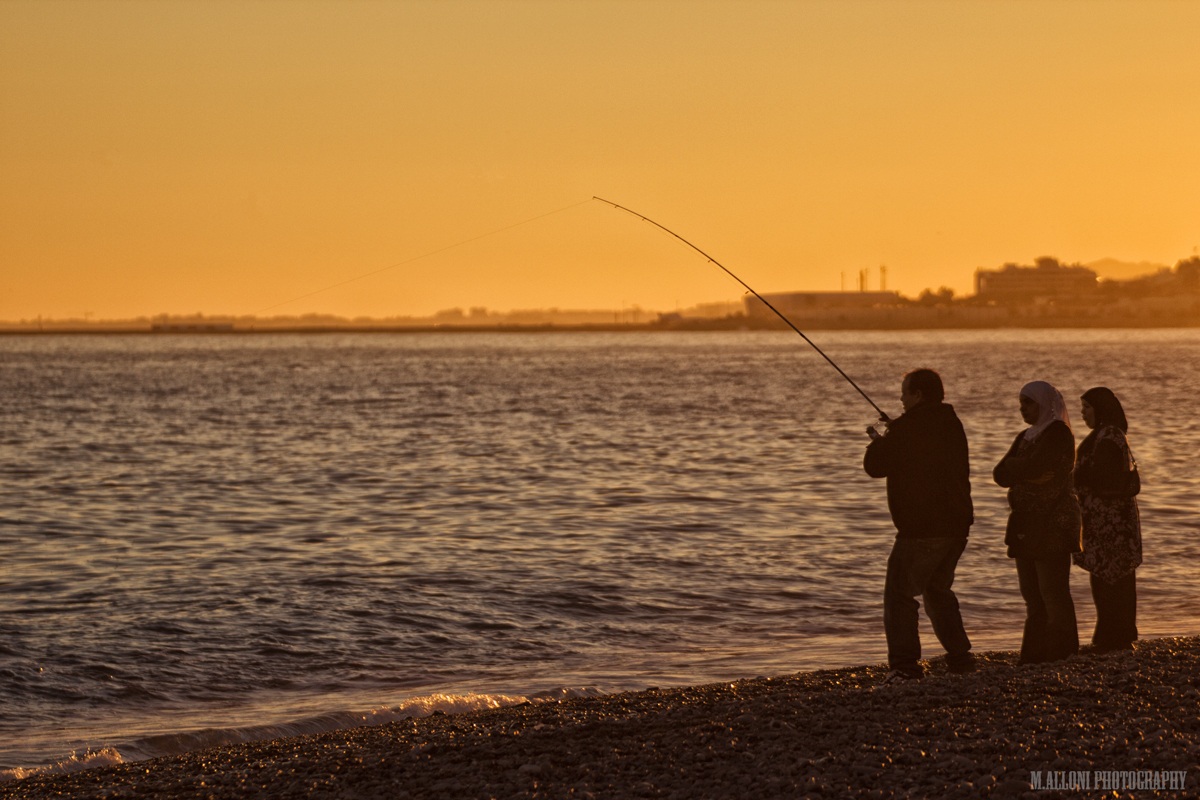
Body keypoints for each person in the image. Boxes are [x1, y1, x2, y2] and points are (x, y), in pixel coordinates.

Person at [864, 368, 975, 683]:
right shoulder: (951, 423)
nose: (900, 397)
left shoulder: (908, 429)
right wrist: (896, 432)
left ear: (919, 395)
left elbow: (875, 466)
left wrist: (881, 440)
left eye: (905, 392)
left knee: (899, 594)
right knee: (937, 590)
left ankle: (905, 666)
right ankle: (961, 658)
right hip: (956, 526)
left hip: (922, 528)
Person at [993, 380, 1081, 664]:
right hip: (1025, 524)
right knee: (1032, 593)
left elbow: (1033, 466)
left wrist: (1019, 470)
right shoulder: (1025, 436)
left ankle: (1062, 651)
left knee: (1052, 591)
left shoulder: (1057, 433)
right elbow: (999, 474)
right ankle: (1034, 654)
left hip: (1053, 523)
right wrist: (1023, 473)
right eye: (1021, 403)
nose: (1023, 409)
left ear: (1044, 403)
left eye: (1028, 403)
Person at [1072, 387, 1141, 652]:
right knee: (1108, 578)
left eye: (1087, 408)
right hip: (1108, 521)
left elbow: (1103, 477)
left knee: (1112, 580)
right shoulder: (1105, 435)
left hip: (1111, 524)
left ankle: (1114, 638)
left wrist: (1076, 479)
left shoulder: (1109, 436)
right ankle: (1112, 636)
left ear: (1100, 409)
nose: (1083, 414)